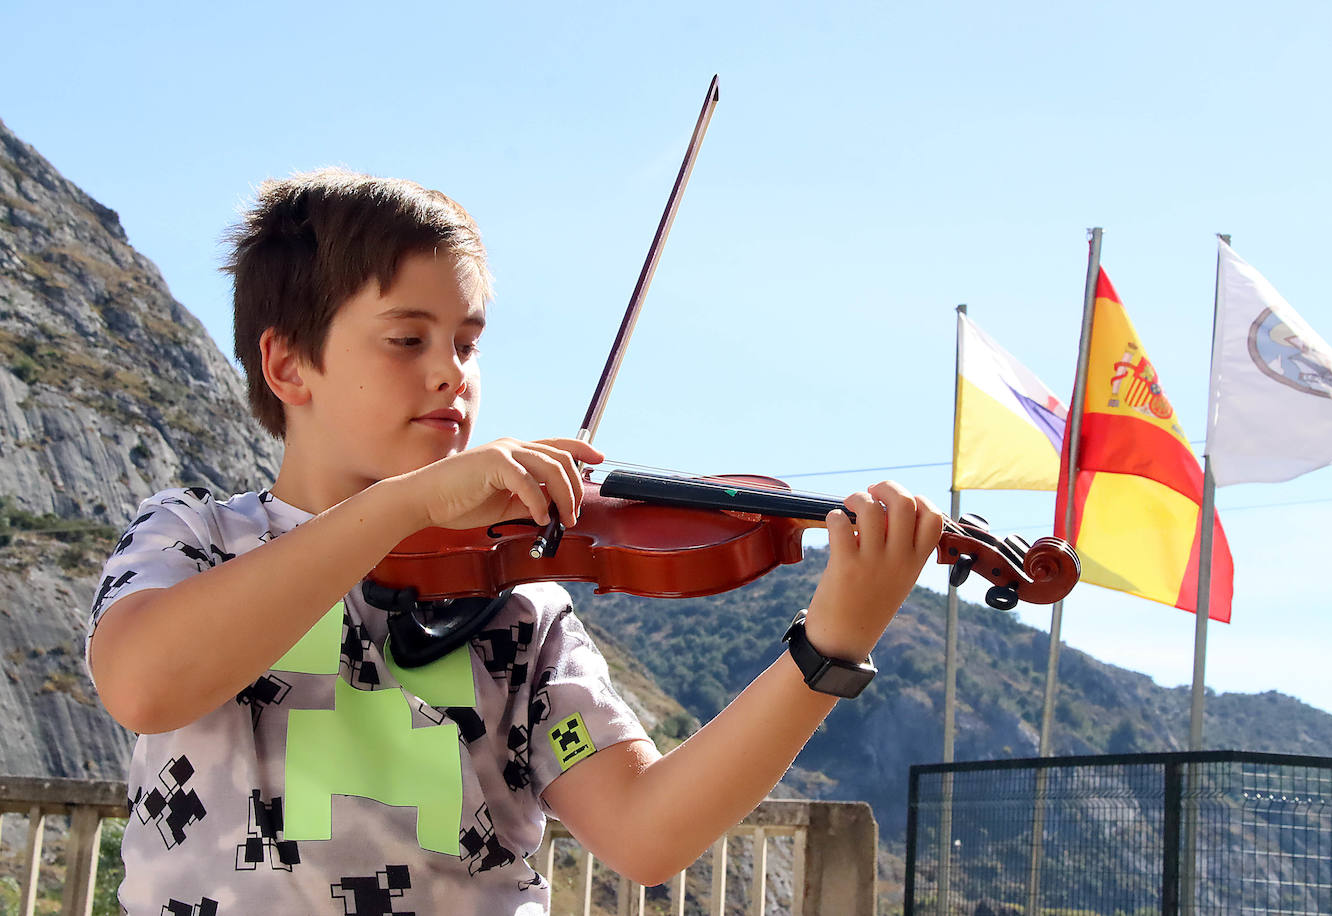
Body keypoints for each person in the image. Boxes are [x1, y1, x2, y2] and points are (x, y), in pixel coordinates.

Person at [86, 168, 941, 915]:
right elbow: (144, 683)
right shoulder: (198, 534)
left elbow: (646, 833)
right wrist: (402, 505)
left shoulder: (520, 602)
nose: (453, 372)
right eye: (407, 339)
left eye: (466, 343)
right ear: (287, 368)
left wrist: (829, 648)